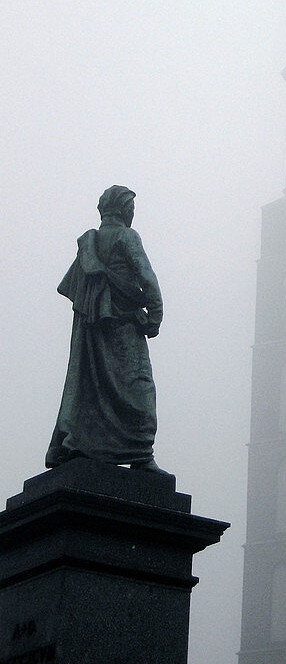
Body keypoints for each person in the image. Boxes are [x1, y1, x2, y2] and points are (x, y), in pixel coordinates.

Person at [45, 186, 166, 473]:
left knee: (91, 387)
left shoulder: (91, 244)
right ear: (124, 210)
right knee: (139, 389)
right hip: (124, 328)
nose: (133, 214)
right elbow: (147, 278)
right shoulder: (127, 237)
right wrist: (155, 316)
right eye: (131, 209)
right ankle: (141, 453)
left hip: (94, 332)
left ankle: (80, 444)